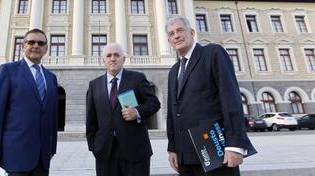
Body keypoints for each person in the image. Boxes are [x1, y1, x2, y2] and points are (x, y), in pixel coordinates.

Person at [165, 15, 255, 176]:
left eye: (180, 30)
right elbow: (173, 113)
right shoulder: (173, 71)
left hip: (215, 151)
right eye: (171, 34)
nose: (176, 36)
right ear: (169, 41)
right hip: (185, 156)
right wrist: (173, 147)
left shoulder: (213, 53)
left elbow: (231, 98)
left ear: (192, 32)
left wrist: (234, 145)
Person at [0, 28, 58, 176]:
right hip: (14, 157)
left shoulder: (51, 77)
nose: (36, 45)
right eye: (31, 42)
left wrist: (51, 148)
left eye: (41, 43)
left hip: (42, 159)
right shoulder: (7, 71)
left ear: (46, 49)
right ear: (23, 46)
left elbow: (52, 116)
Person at [86, 43, 160, 176]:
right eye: (108, 56)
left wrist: (137, 112)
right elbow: (91, 119)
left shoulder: (137, 78)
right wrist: (93, 146)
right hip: (105, 153)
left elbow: (154, 103)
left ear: (123, 59)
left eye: (116, 55)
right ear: (103, 61)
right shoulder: (94, 85)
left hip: (135, 151)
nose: (112, 58)